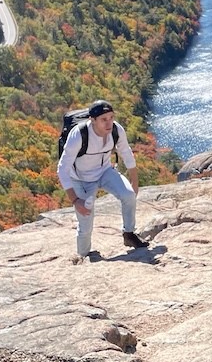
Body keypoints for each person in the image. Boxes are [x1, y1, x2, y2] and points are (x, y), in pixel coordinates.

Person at [57, 100, 150, 259]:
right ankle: (83, 255)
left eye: (111, 117)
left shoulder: (116, 130)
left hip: (105, 171)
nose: (109, 123)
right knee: (85, 222)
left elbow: (126, 152)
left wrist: (134, 181)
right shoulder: (79, 135)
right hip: (81, 179)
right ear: (92, 120)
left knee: (128, 195)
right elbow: (62, 168)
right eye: (104, 119)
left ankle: (129, 234)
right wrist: (75, 200)